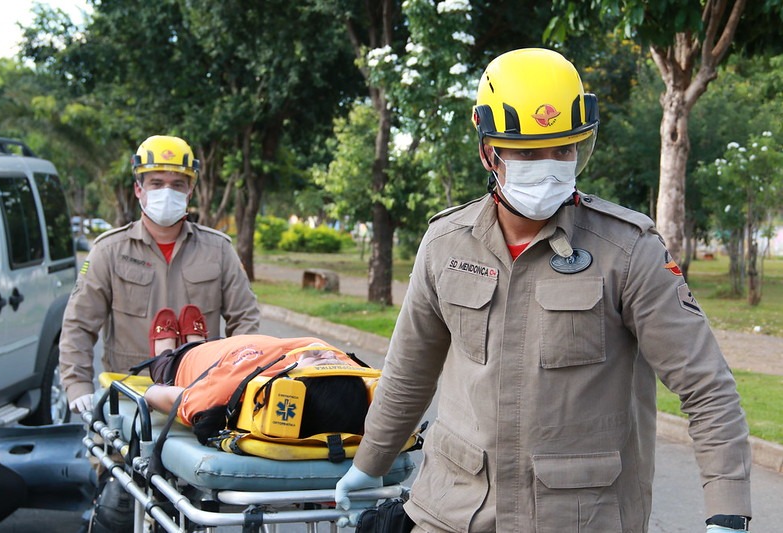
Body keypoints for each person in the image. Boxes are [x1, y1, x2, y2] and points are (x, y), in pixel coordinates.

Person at [335, 48, 751, 533]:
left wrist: (727, 511)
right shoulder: (445, 244)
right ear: (488, 151)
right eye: (529, 153)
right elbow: (409, 373)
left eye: (564, 149)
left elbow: (707, 388)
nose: (550, 167)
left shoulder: (628, 251)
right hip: (451, 513)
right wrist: (369, 464)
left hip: (579, 519)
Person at [60, 134, 261, 415]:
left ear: (190, 191)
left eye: (177, 184)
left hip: (199, 396)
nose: (167, 192)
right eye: (156, 183)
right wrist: (77, 384)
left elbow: (246, 320)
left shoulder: (218, 249)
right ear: (139, 189)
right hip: (128, 396)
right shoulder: (109, 250)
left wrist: (234, 377)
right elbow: (79, 324)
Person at [142, 306, 369, 442]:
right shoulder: (339, 365)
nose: (328, 356)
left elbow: (168, 397)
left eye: (320, 361)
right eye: (332, 361)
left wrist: (151, 392)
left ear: (293, 391)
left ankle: (170, 352)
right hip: (234, 350)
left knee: (170, 361)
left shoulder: (225, 392)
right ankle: (196, 341)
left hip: (188, 364)